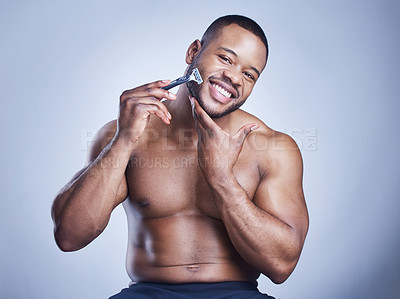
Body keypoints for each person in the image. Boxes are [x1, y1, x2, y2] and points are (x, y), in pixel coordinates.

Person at [51, 15, 309, 298]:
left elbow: (281, 266)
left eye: (249, 74)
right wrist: (122, 141)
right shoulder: (126, 134)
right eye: (225, 58)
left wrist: (221, 179)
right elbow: (69, 236)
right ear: (193, 52)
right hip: (147, 292)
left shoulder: (272, 148)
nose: (234, 78)